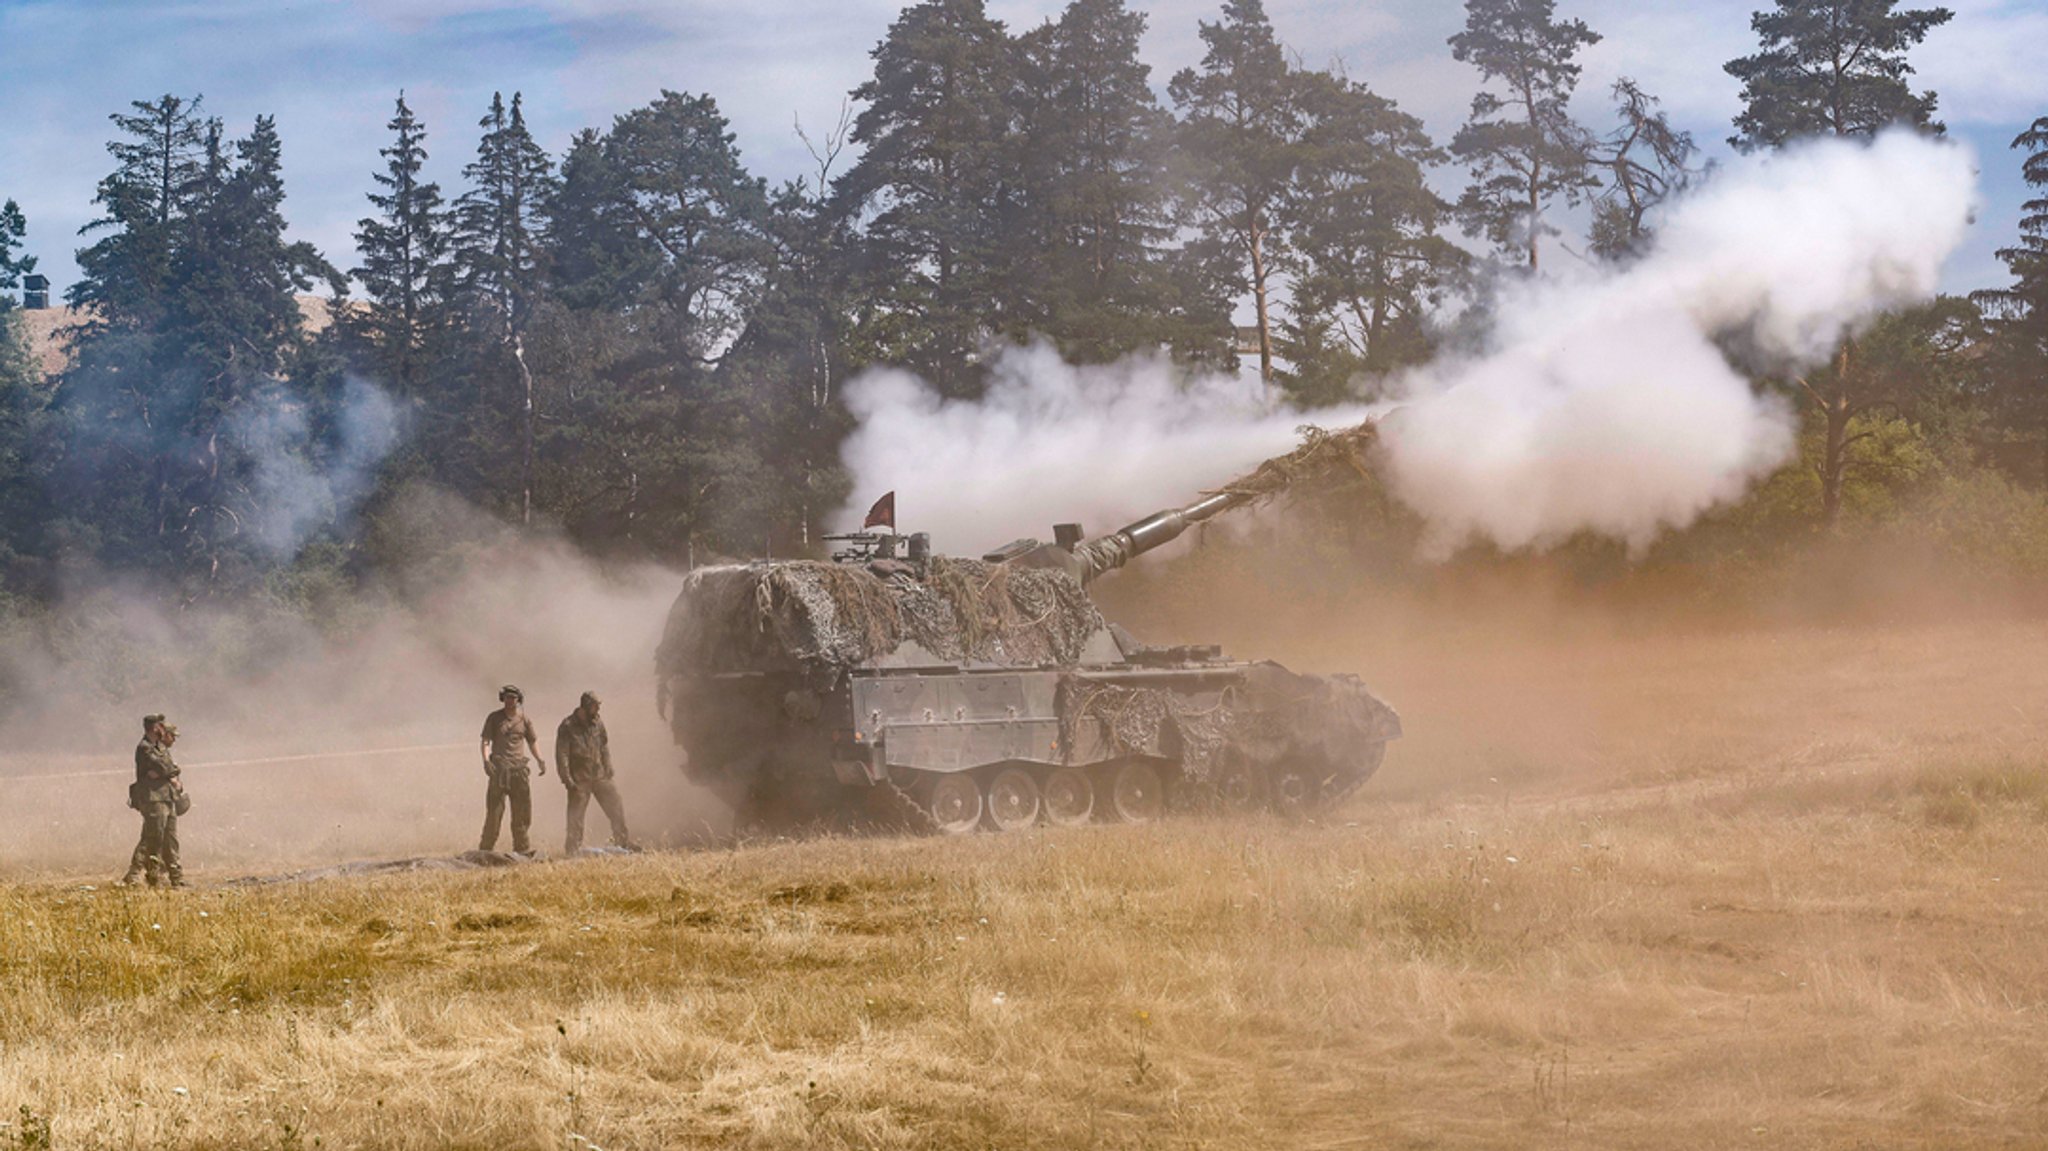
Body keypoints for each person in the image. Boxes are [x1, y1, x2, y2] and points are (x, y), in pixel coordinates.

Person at [556, 691, 637, 853]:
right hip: (579, 778)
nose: (597, 709)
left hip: (599, 775)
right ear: (585, 705)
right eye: (595, 706)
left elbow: (604, 745)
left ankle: (622, 842)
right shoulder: (568, 725)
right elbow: (562, 753)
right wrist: (566, 778)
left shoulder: (598, 723)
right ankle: (573, 849)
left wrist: (608, 765)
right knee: (576, 817)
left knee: (616, 807)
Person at [120, 714, 186, 888]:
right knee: (153, 838)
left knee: (170, 839)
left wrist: (168, 772)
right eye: (161, 726)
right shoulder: (144, 748)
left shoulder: (159, 747)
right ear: (155, 728)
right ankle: (151, 877)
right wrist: (168, 772)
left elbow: (170, 769)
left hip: (167, 797)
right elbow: (164, 767)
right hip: (153, 799)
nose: (164, 729)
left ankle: (176, 878)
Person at [479, 685, 545, 855]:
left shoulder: (525, 720)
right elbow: (486, 740)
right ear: (503, 698)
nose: (510, 701)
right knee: (494, 814)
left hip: (518, 771)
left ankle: (522, 850)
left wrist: (540, 760)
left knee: (522, 814)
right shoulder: (494, 718)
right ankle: (486, 851)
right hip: (499, 771)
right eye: (507, 697)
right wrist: (486, 761)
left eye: (514, 698)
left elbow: (532, 742)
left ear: (519, 700)